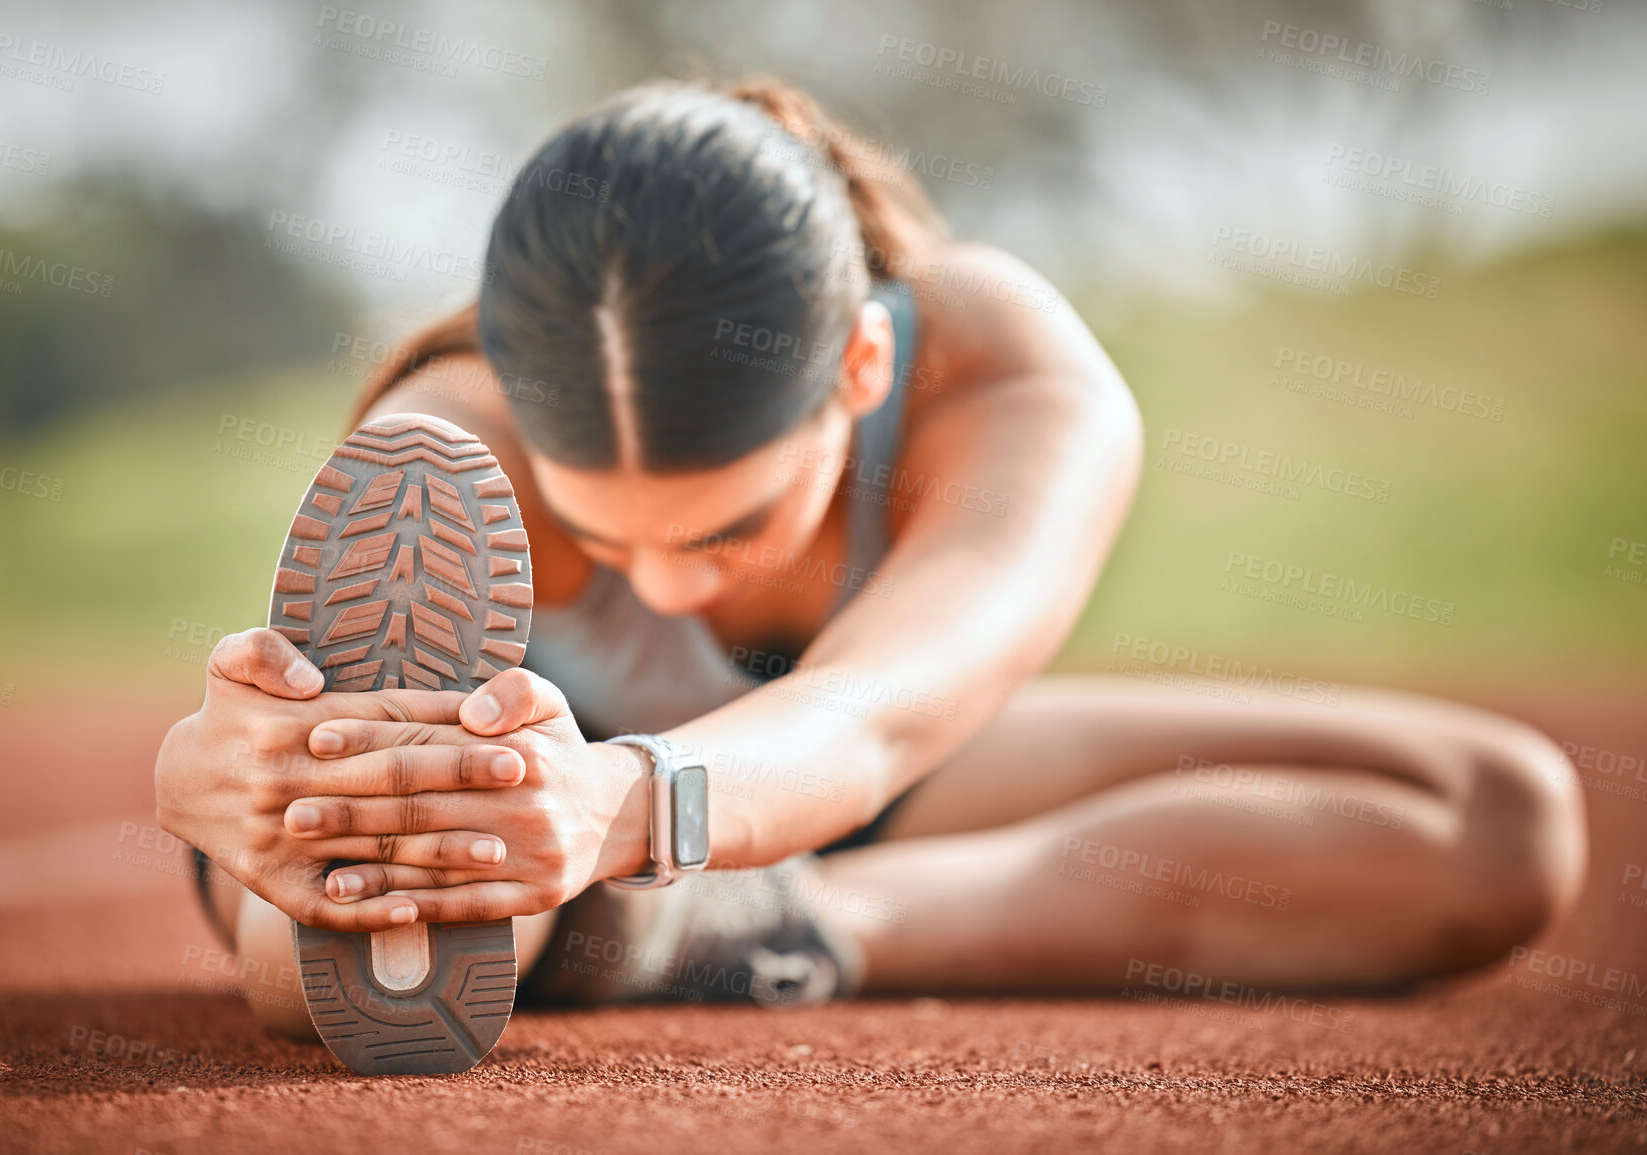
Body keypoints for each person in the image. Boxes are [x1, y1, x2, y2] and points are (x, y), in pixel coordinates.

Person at [154, 78, 1585, 1032]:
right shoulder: (448, 438)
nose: (667, 589)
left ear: (858, 363)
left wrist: (627, 810)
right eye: (603, 535)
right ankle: (541, 915)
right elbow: (302, 779)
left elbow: (876, 714)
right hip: (507, 821)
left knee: (1499, 821)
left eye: (728, 528)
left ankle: (728, 929)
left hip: (827, 791)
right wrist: (219, 778)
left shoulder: (1014, 378)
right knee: (372, 901)